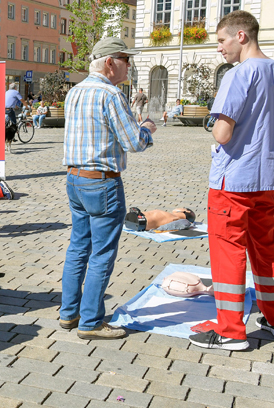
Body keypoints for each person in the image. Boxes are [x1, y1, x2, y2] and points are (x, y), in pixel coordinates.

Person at [188, 11, 274, 351]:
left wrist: (215, 127)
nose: (220, 48)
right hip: (268, 176)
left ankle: (231, 330)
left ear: (241, 36)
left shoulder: (239, 75)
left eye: (222, 40)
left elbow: (222, 132)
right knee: (266, 248)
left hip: (234, 179)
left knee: (228, 251)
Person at [61, 37, 156, 340]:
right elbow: (133, 142)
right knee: (102, 252)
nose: (130, 64)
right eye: (126, 59)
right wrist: (148, 130)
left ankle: (69, 312)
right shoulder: (111, 94)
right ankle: (91, 322)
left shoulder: (74, 92)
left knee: (78, 247)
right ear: (110, 62)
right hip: (102, 181)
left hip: (75, 178)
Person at [125, 207, 195, 231]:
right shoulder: (172, 217)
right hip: (140, 220)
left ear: (186, 211)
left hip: (142, 221)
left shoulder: (175, 218)